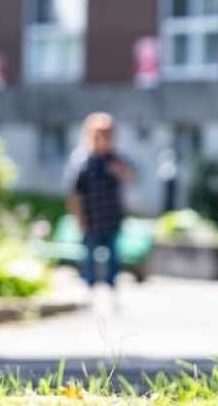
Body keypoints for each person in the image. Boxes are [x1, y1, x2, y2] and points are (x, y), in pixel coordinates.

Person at [64, 112, 133, 304]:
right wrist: (78, 218)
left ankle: (112, 291)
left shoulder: (115, 159)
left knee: (113, 256)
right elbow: (74, 193)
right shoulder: (82, 160)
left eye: (107, 134)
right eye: (99, 133)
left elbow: (132, 177)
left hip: (111, 217)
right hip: (91, 217)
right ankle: (89, 290)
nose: (104, 138)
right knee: (89, 256)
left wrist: (120, 171)